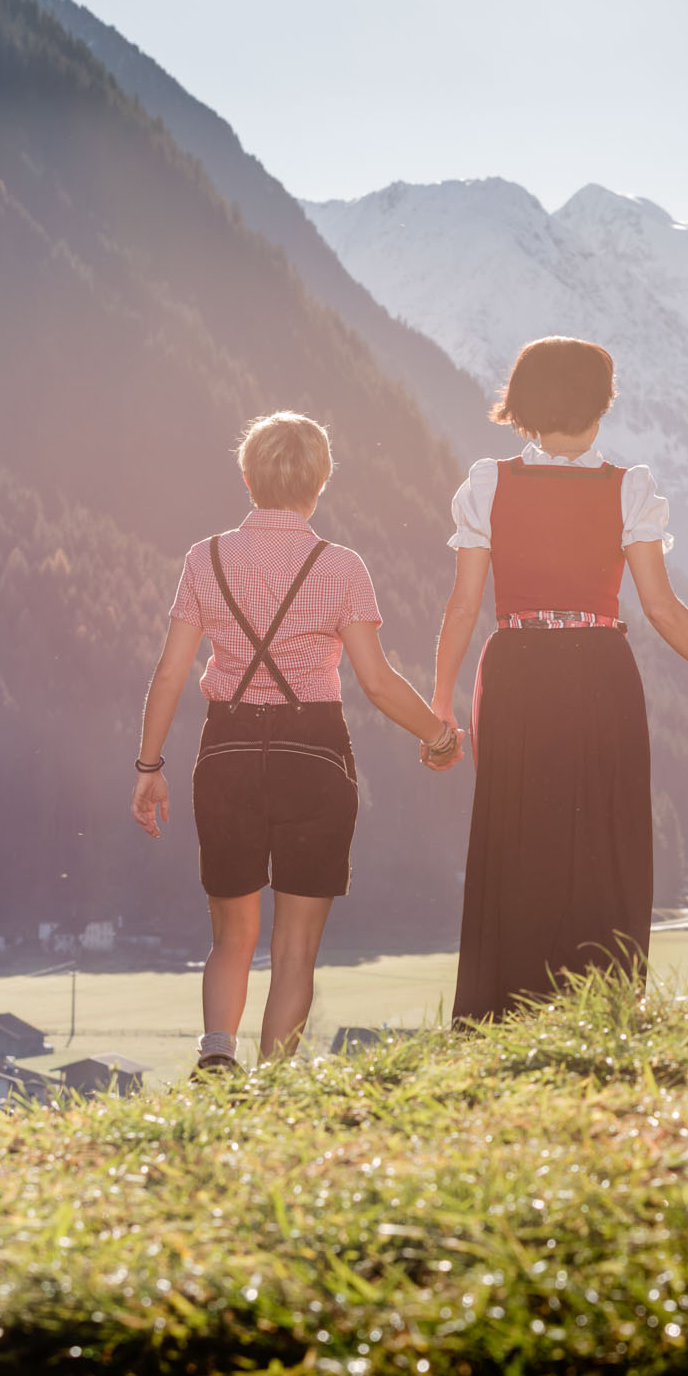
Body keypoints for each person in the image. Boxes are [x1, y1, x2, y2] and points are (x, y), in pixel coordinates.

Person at [428, 337, 688, 1022]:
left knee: (516, 832)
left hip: (517, 667)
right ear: (601, 404)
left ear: (521, 406)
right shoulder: (628, 487)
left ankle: (505, 1010)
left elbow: (464, 605)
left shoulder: (489, 482)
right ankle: (604, 1001)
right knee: (604, 836)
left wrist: (440, 706)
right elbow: (662, 607)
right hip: (598, 667)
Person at [131, 411, 456, 1074]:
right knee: (296, 943)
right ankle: (277, 1078)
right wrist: (438, 733)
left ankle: (217, 1053)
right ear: (322, 480)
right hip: (314, 753)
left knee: (231, 932)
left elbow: (169, 672)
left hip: (225, 750)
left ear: (247, 476)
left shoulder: (206, 557)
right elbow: (377, 680)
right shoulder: (340, 567)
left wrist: (149, 765)